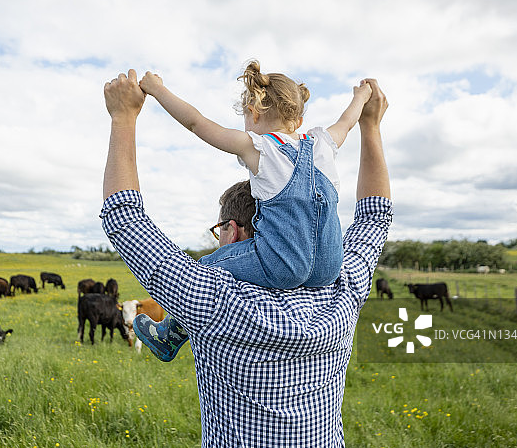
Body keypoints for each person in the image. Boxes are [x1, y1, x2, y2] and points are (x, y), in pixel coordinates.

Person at [101, 70, 391, 448]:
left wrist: (123, 117)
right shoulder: (344, 289)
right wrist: (370, 122)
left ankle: (170, 334)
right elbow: (375, 217)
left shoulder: (215, 299)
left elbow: (126, 220)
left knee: (201, 269)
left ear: (233, 230)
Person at [135, 62, 372, 360]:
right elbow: (347, 122)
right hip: (329, 267)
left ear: (255, 112)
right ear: (298, 120)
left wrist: (158, 89)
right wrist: (361, 96)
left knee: (208, 266)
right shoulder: (322, 144)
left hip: (282, 265)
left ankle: (169, 334)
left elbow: (196, 123)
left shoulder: (259, 147)